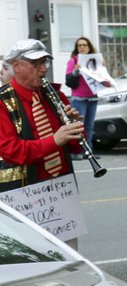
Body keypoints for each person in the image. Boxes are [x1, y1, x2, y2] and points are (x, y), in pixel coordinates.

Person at [0, 39, 83, 195]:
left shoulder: (57, 96)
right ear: (17, 66)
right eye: (36, 64)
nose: (44, 69)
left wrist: (75, 127)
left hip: (62, 187)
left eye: (45, 62)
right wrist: (54, 140)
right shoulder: (3, 102)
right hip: (25, 192)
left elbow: (76, 147)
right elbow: (11, 151)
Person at [64, 37, 110, 157]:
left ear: (89, 47)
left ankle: (88, 151)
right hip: (79, 99)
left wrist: (103, 68)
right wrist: (76, 71)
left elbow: (104, 80)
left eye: (84, 45)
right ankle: (76, 151)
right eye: (79, 45)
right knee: (78, 126)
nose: (82, 47)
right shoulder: (73, 61)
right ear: (77, 48)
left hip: (92, 98)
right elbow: (69, 81)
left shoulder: (95, 61)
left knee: (89, 127)